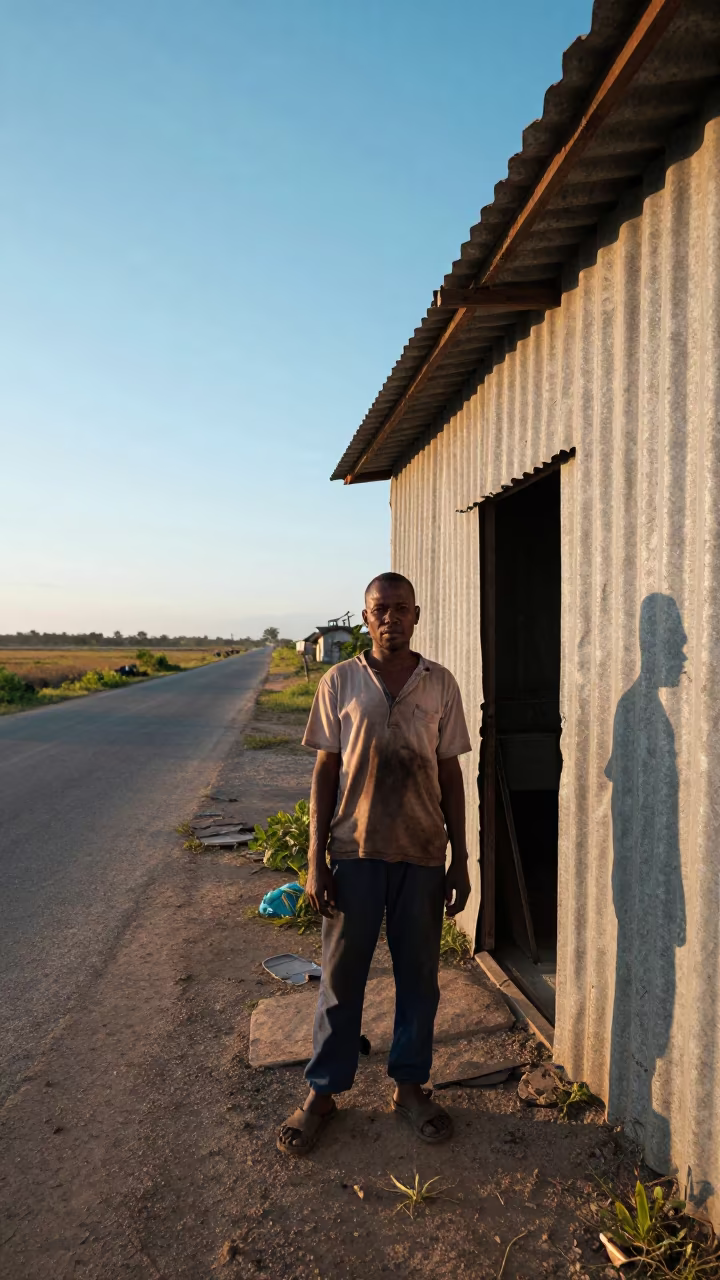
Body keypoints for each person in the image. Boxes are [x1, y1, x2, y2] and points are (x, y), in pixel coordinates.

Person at [277, 571, 472, 1156]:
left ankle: (410, 1086)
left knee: (419, 979)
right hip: (354, 851)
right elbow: (325, 773)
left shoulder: (440, 684)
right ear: (365, 618)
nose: (390, 618)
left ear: (417, 615)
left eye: (400, 609)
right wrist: (315, 860)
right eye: (379, 609)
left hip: (420, 853)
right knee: (341, 980)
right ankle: (323, 1091)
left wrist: (461, 859)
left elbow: (451, 775)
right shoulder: (340, 682)